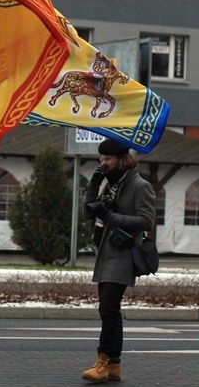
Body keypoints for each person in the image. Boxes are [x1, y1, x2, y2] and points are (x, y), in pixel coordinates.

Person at [81, 138, 155, 383]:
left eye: (108, 159)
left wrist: (110, 216)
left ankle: (103, 362)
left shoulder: (139, 186)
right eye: (101, 159)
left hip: (123, 253)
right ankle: (114, 366)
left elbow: (146, 221)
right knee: (109, 310)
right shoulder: (109, 184)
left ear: (122, 159)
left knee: (108, 308)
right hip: (105, 251)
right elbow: (89, 211)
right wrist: (93, 184)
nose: (104, 164)